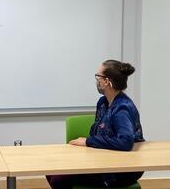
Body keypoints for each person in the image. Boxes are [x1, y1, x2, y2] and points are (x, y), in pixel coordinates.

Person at [46, 60, 145, 189]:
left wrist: (88, 141)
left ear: (107, 82)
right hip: (103, 160)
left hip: (121, 169)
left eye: (98, 77)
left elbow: (125, 142)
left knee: (58, 178)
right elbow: (97, 132)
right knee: (50, 168)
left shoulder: (122, 109)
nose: (96, 80)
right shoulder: (103, 102)